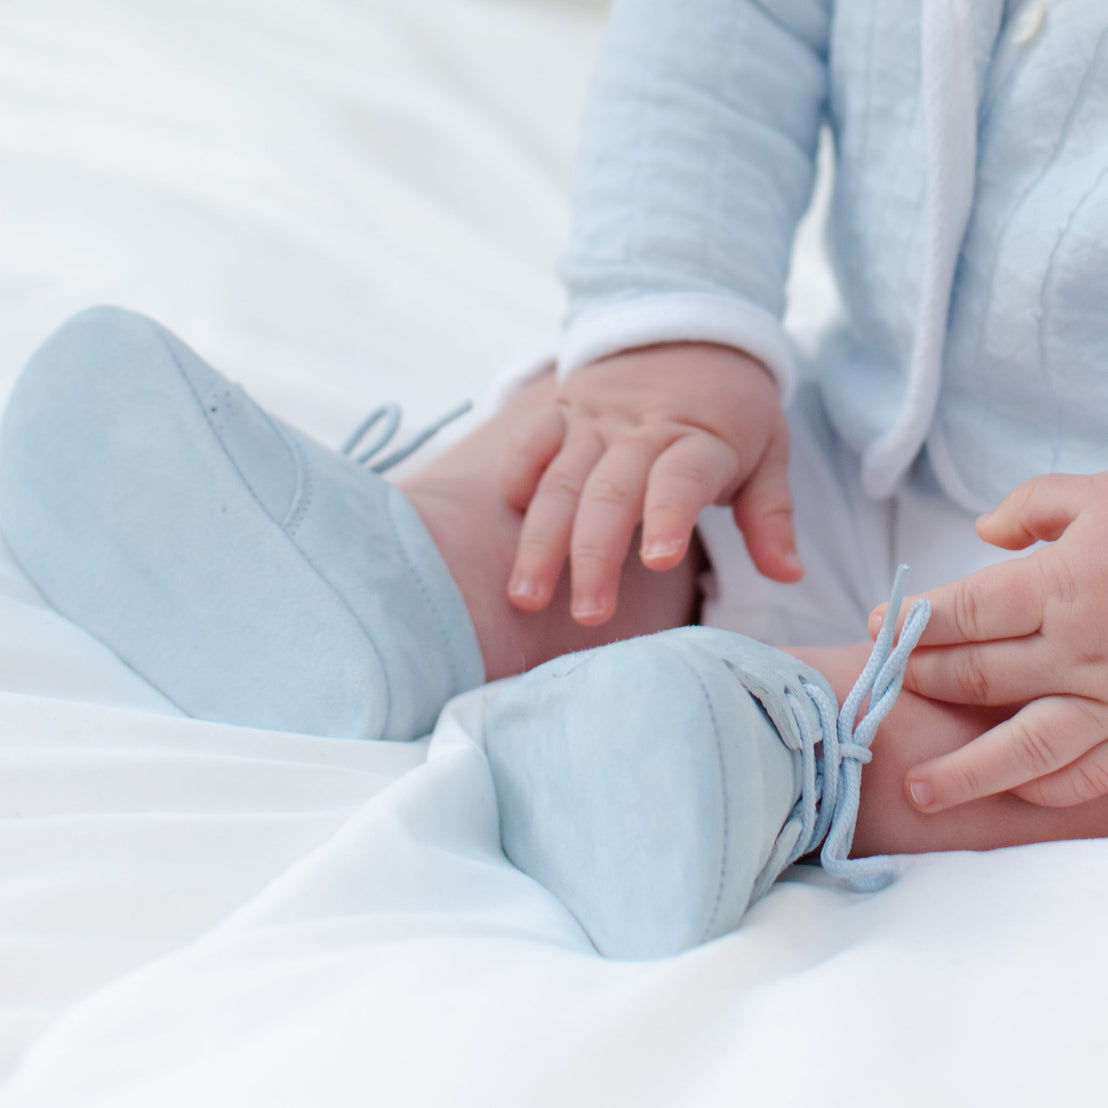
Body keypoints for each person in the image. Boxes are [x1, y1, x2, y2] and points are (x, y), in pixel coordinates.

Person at [1, 0, 1107, 956]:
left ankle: (763, 748)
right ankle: (406, 586)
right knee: (627, 455)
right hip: (866, 425)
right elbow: (728, 30)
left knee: (1041, 730)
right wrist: (675, 321)